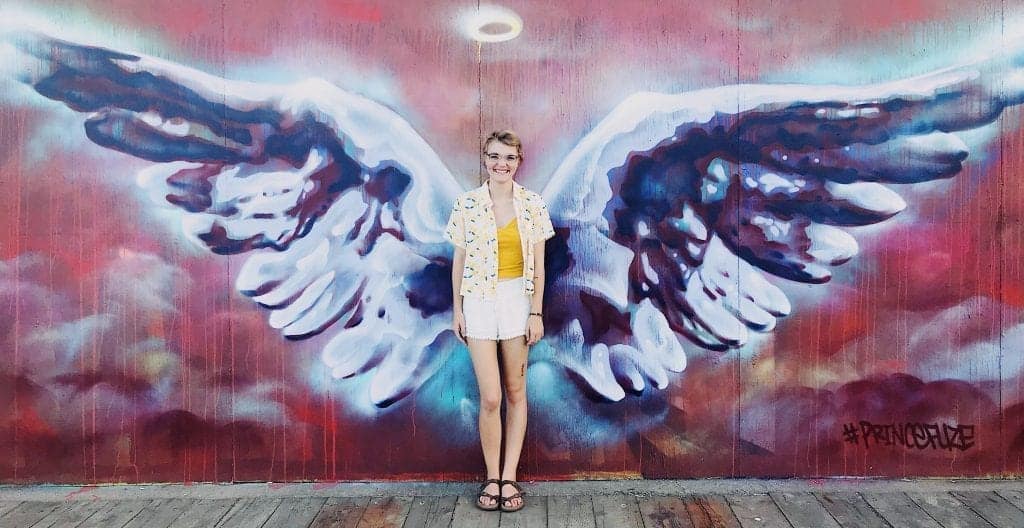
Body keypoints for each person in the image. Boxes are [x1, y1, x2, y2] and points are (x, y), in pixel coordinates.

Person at [444, 130, 555, 513]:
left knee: (515, 392)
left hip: (516, 300)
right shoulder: (467, 204)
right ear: (485, 160)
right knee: (490, 397)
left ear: (518, 161)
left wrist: (536, 311)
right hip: (477, 301)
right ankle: (491, 475)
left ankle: (509, 478)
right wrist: (457, 309)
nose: (500, 164)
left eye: (508, 157)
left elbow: (540, 266)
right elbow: (458, 261)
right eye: (494, 156)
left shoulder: (533, 205)